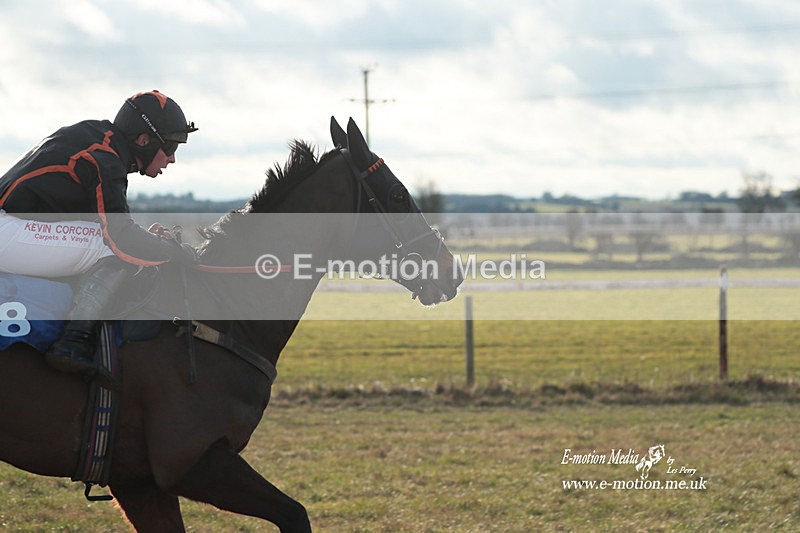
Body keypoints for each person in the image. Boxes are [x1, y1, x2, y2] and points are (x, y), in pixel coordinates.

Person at [0, 90, 199, 380]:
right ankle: (72, 343)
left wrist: (151, 243)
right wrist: (175, 252)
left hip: (13, 227)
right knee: (110, 249)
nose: (171, 159)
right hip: (8, 230)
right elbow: (119, 238)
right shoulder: (105, 157)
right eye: (171, 147)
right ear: (144, 140)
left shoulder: (101, 140)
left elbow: (104, 224)